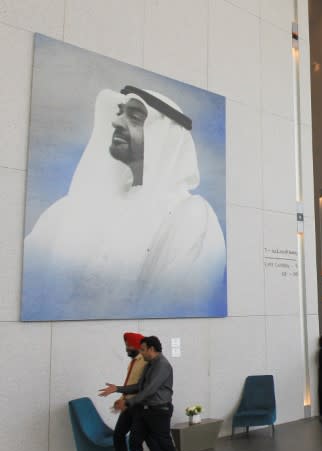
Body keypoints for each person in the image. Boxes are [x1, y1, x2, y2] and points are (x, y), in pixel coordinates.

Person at [23, 86, 226, 320]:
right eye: (120, 112)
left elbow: (177, 309)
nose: (117, 122)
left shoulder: (191, 217)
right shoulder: (67, 210)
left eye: (135, 117)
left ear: (165, 138)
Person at [99, 336, 181, 451]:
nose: (141, 353)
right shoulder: (149, 364)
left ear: (151, 349)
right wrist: (118, 389)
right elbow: (139, 386)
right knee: (135, 443)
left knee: (165, 445)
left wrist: (128, 403)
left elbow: (149, 389)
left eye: (143, 350)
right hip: (145, 409)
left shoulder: (162, 365)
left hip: (159, 411)